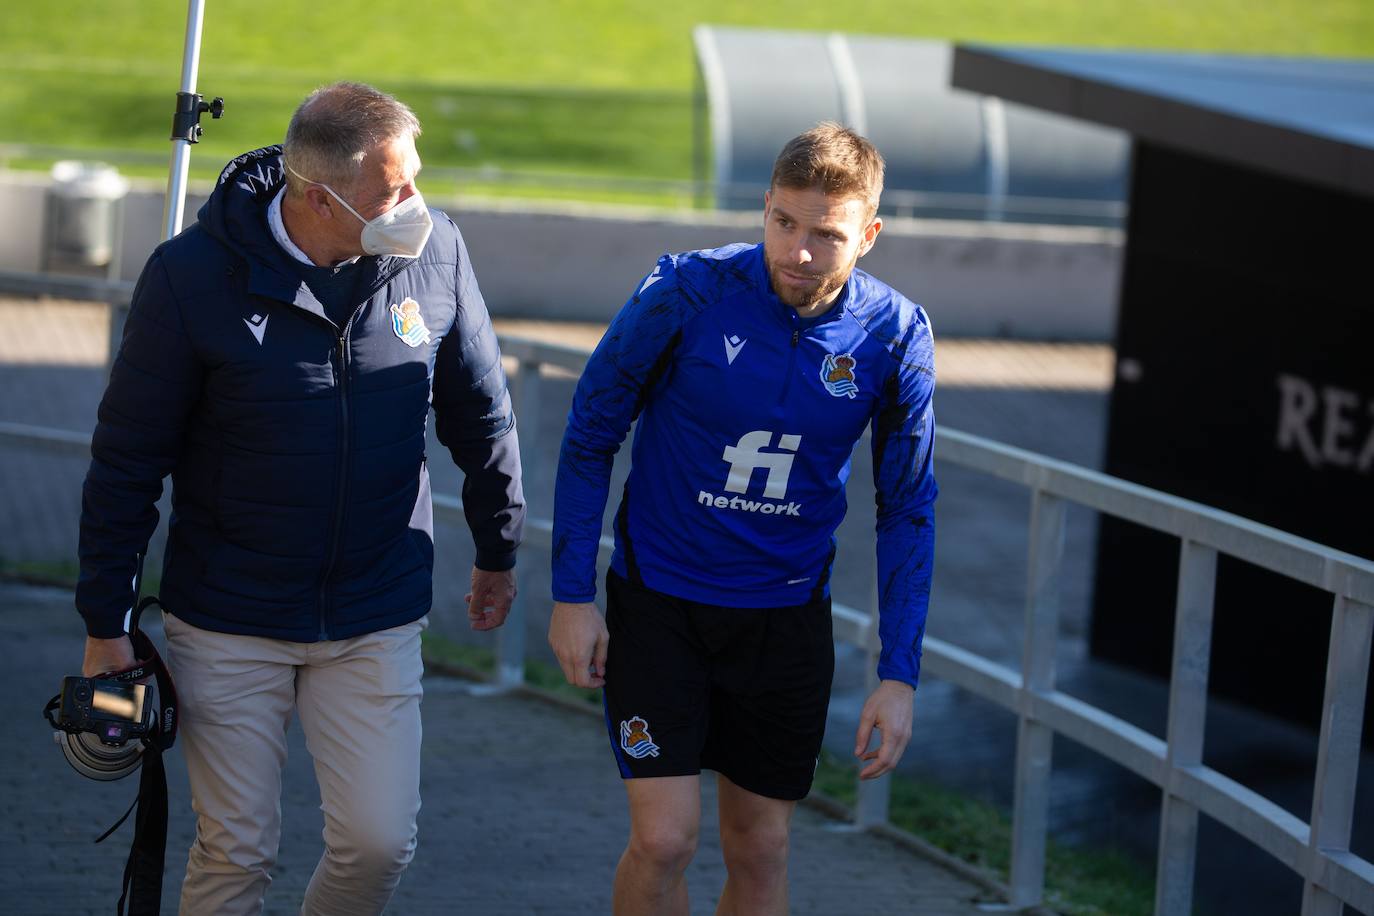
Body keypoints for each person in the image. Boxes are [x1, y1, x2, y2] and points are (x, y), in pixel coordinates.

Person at [76, 82, 525, 915]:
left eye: (417, 178)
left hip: (374, 610)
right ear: (319, 199)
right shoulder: (190, 278)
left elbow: (482, 409)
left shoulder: (437, 256)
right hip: (229, 618)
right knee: (237, 851)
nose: (417, 204)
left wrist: (500, 548)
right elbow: (126, 462)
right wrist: (106, 625)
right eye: (394, 191)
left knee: (379, 844)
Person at [548, 123, 937, 914]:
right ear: (765, 207)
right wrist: (571, 594)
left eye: (826, 235)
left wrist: (898, 673)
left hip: (784, 620)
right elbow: (591, 432)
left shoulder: (896, 335)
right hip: (661, 606)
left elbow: (907, 506)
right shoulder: (687, 290)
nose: (797, 252)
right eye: (783, 223)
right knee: (664, 841)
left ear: (869, 234)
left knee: (760, 850)